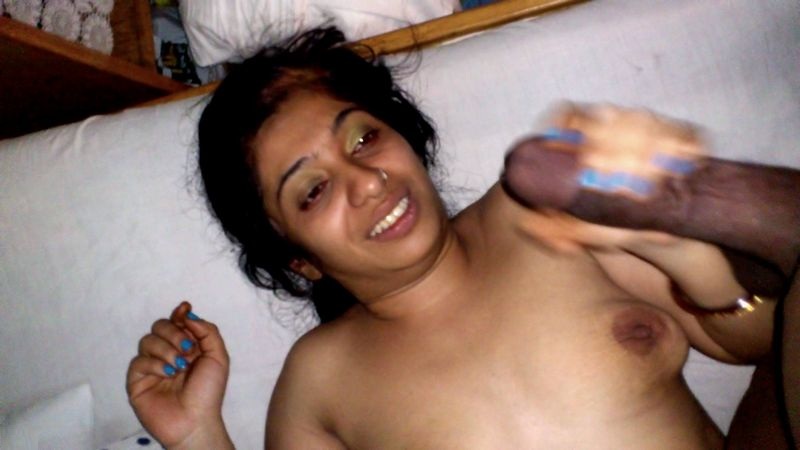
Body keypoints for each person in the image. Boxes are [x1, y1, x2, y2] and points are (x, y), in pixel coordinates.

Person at [125, 27, 798, 448]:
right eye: (313, 191)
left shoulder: (537, 209)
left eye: (363, 138)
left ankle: (712, 203)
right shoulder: (321, 380)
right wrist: (198, 439)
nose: (367, 182)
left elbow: (756, 342)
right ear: (300, 259)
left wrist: (673, 245)